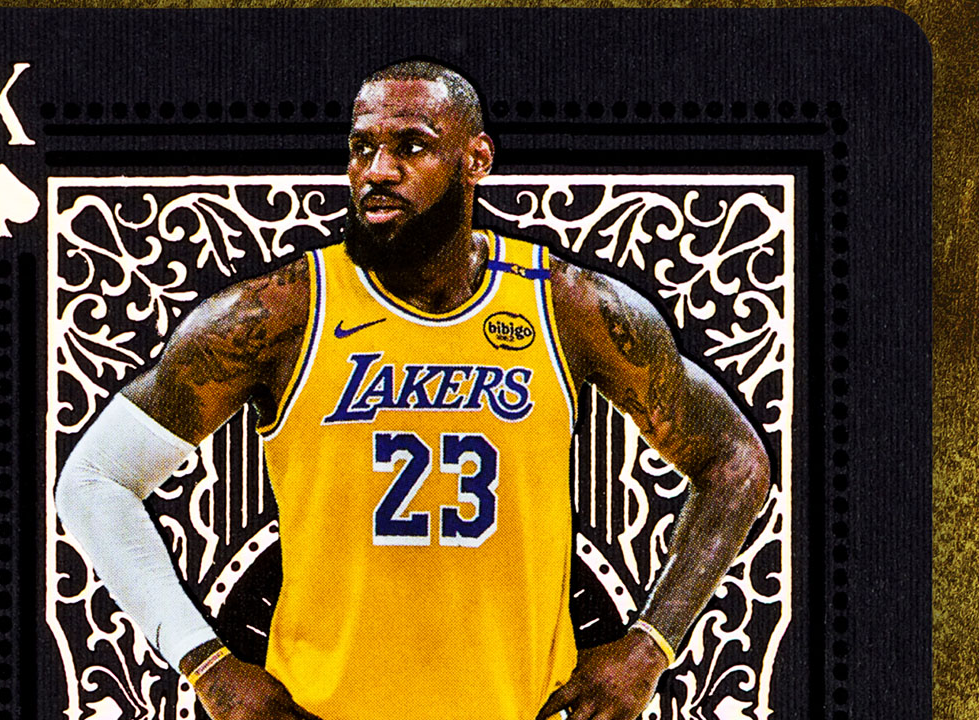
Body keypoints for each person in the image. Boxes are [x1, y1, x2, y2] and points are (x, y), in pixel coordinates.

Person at [56, 60, 770, 720]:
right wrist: (208, 665)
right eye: (361, 148)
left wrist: (650, 645)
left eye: (412, 146)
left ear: (476, 159)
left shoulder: (569, 307)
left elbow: (735, 461)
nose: (378, 170)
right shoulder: (277, 315)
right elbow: (94, 481)